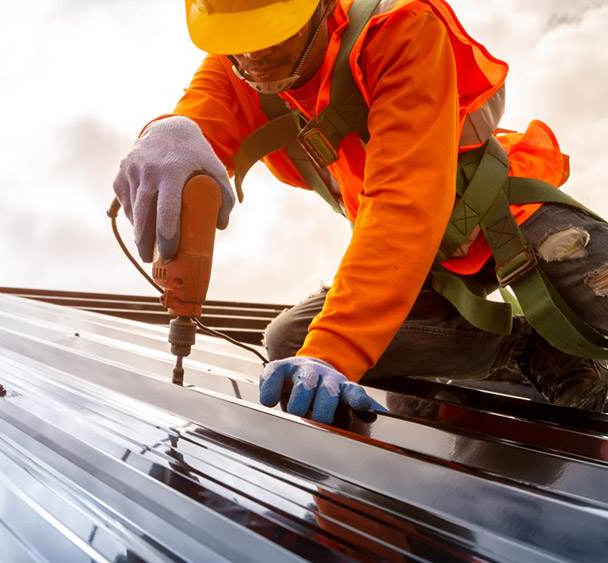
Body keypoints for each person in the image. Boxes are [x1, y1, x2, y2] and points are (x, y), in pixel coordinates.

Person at [112, 0, 608, 424]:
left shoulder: (397, 28)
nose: (253, 56)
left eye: (272, 34)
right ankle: (527, 347)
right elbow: (201, 116)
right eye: (238, 41)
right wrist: (169, 133)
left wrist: (336, 352)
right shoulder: (239, 67)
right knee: (289, 341)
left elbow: (403, 201)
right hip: (417, 267)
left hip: (502, 219)